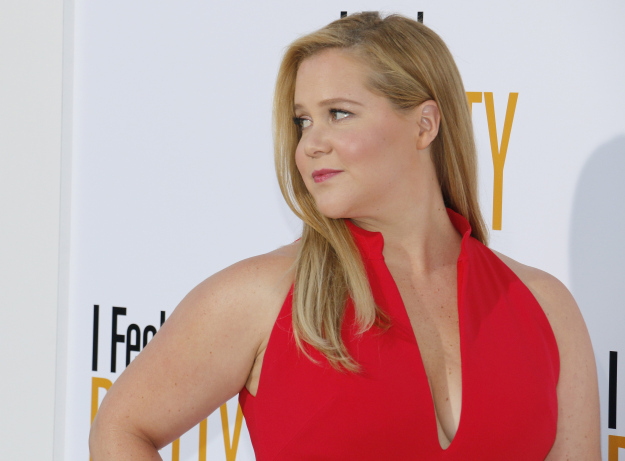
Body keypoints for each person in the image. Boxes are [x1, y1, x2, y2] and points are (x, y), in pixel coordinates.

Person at [89, 11, 600, 460]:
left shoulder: (546, 308)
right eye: (302, 121)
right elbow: (122, 427)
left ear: (425, 125)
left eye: (338, 114)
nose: (310, 144)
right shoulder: (262, 297)